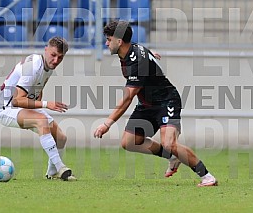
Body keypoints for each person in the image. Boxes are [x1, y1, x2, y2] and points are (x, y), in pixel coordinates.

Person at [93, 20, 217, 187]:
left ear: (119, 41)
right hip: (147, 104)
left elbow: (127, 98)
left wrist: (107, 123)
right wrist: (150, 54)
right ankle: (172, 156)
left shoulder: (136, 63)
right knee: (129, 142)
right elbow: (141, 50)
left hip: (167, 101)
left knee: (169, 143)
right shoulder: (130, 50)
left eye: (108, 39)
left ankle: (207, 176)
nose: (106, 43)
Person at [0, 37, 76, 181]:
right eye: (53, 55)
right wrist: (45, 105)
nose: (56, 60)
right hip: (5, 108)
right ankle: (60, 167)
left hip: (19, 107)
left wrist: (39, 107)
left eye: (60, 58)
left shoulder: (48, 67)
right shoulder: (33, 66)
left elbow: (37, 89)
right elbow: (18, 100)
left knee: (61, 138)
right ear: (46, 49)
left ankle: (52, 173)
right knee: (42, 120)